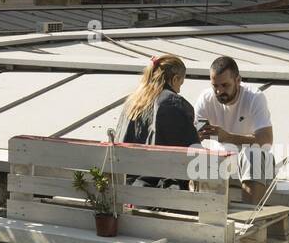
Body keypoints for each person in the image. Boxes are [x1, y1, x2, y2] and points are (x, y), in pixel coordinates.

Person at [195, 56, 275, 204]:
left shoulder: (254, 97)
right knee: (197, 155)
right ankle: (206, 220)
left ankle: (249, 219)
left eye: (225, 85)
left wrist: (228, 137)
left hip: (253, 162)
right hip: (220, 160)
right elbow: (193, 139)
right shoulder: (205, 98)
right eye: (215, 86)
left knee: (253, 154)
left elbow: (266, 140)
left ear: (238, 80)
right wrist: (197, 135)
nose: (219, 91)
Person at [113, 54, 200, 188]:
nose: (179, 90)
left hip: (126, 188)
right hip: (159, 194)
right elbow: (191, 154)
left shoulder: (132, 102)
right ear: (175, 79)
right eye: (180, 84)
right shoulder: (173, 102)